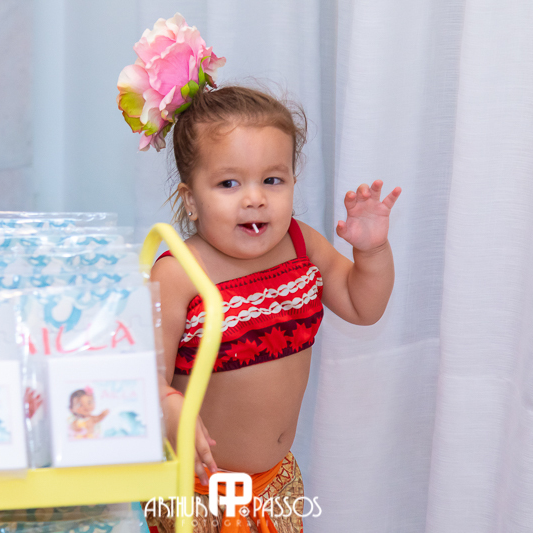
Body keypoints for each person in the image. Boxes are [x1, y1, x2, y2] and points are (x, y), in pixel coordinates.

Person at [120, 15, 401, 533]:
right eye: (229, 184)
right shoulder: (179, 274)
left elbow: (364, 306)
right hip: (194, 496)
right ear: (191, 198)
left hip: (276, 488)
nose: (254, 198)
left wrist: (372, 252)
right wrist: (168, 405)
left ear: (293, 180)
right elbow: (141, 376)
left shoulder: (301, 245)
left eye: (273, 180)